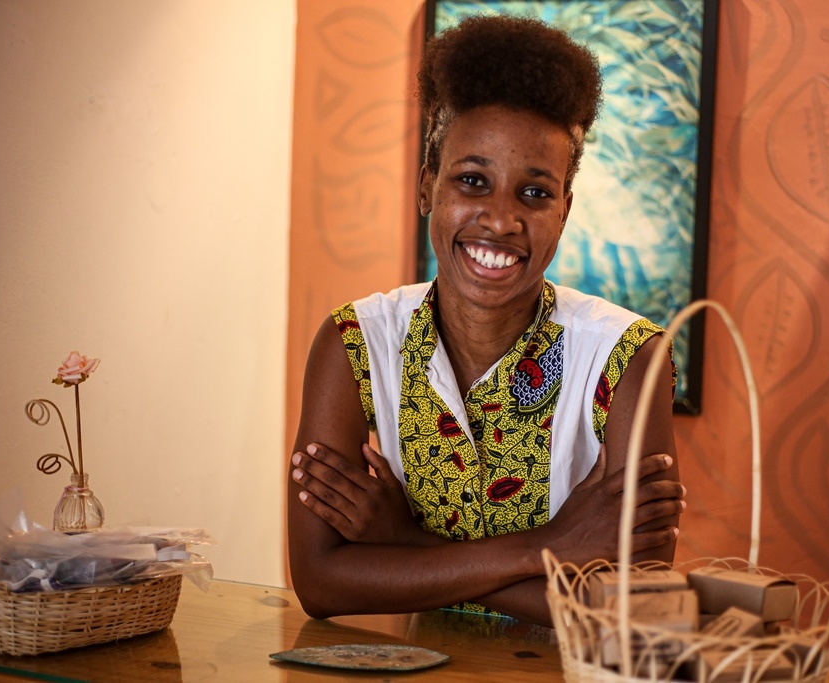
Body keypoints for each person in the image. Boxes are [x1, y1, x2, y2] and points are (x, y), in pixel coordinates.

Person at [287, 14, 684, 627]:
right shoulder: (356, 344)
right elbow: (320, 583)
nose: (501, 220)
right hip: (409, 664)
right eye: (473, 181)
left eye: (535, 193)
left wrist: (403, 542)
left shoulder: (628, 359)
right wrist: (545, 549)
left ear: (565, 210)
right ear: (428, 187)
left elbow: (638, 613)